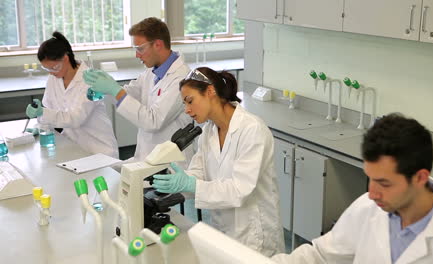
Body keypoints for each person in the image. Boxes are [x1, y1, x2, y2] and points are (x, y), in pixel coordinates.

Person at [272, 114, 433, 264]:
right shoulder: (367, 208)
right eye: (370, 179)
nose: (372, 194)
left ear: (420, 177)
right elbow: (320, 255)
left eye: (384, 183)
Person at [152, 67, 285, 256]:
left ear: (210, 91)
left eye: (190, 101)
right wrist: (175, 183)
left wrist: (192, 185)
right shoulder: (209, 131)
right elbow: (198, 173)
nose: (187, 110)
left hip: (254, 235)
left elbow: (240, 190)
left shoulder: (252, 129)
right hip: (223, 229)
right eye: (184, 104)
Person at [83, 17, 193, 164]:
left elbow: (153, 120)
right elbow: (131, 93)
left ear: (158, 45)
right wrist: (107, 86)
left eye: (140, 49)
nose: (137, 55)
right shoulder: (152, 71)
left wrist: (114, 89)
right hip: (148, 157)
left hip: (171, 165)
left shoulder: (181, 78)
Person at [26, 31, 118, 158]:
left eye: (54, 67)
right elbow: (48, 109)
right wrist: (40, 125)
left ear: (65, 58)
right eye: (47, 69)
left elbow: (75, 119)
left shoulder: (89, 80)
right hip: (72, 146)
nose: (51, 72)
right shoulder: (54, 78)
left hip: (99, 149)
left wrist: (43, 113)